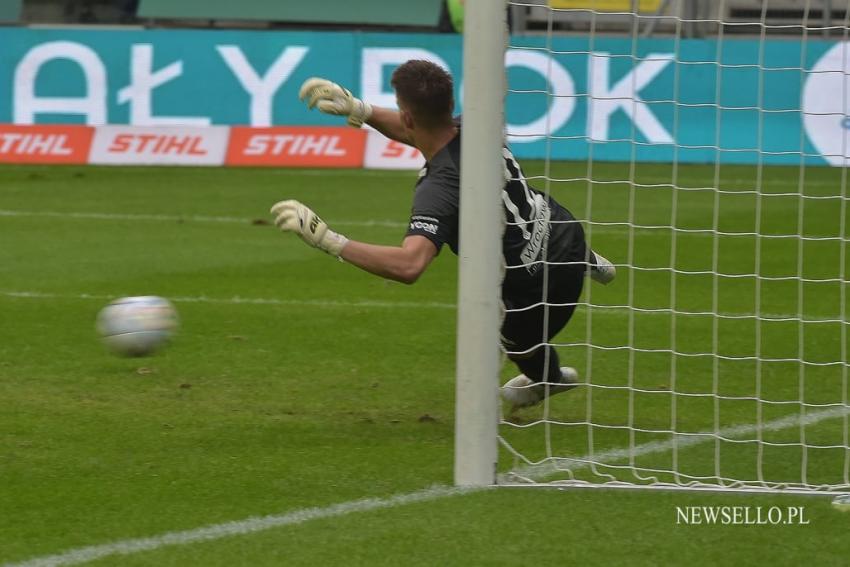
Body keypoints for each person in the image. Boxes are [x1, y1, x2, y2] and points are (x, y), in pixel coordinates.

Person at [271, 60, 615, 410]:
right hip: (565, 231)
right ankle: (586, 260)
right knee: (511, 199)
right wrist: (361, 110)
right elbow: (419, 129)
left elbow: (409, 265)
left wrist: (327, 239)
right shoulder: (477, 124)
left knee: (509, 336)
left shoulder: (440, 188)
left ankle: (549, 379)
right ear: (450, 104)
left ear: (407, 115)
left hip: (540, 284)